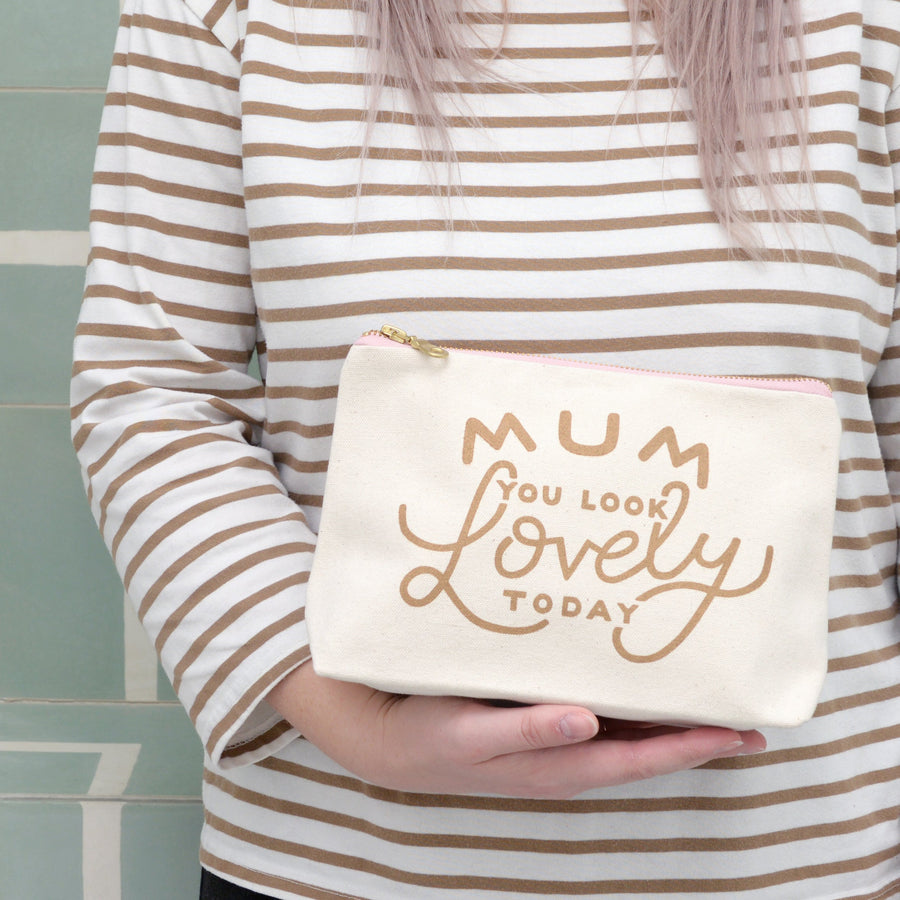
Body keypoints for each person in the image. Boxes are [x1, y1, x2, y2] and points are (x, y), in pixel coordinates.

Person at [71, 0, 900, 896]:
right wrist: (353, 723)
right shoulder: (218, 14)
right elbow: (154, 393)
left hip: (803, 857)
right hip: (345, 858)